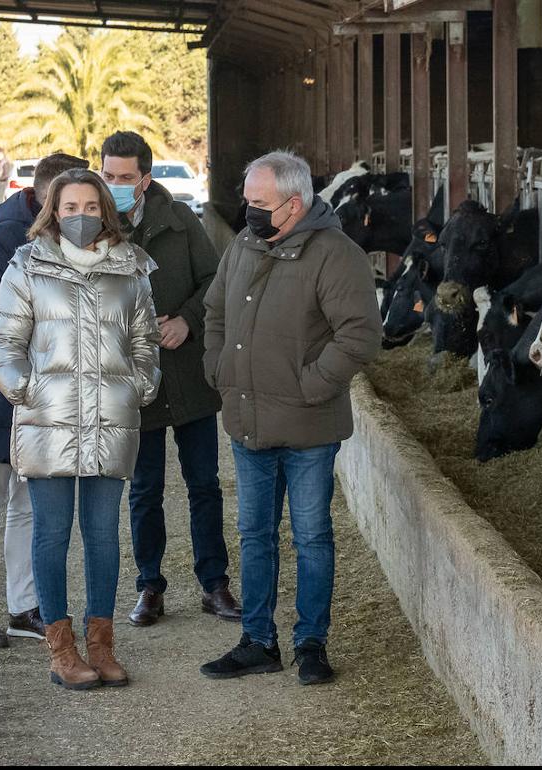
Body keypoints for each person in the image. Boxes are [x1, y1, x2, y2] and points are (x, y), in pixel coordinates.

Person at [199, 151, 381, 686]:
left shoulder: (335, 254)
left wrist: (311, 386)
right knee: (255, 533)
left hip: (308, 429)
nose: (249, 211)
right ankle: (258, 640)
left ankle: (310, 643)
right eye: (248, 201)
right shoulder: (243, 246)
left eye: (260, 203)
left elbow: (360, 335)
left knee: (312, 535)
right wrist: (219, 368)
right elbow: (214, 311)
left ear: (294, 204)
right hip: (248, 419)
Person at [0, 168, 160, 690]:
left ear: (105, 210)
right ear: (52, 212)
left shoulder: (132, 269)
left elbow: (146, 342)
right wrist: (29, 391)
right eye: (69, 208)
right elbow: (2, 344)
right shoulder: (27, 265)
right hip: (49, 421)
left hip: (111, 420)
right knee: (52, 533)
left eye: (89, 207)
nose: (79, 217)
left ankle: (102, 645)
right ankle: (62, 652)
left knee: (104, 534)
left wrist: (139, 387)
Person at [0, 152, 89, 649]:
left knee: (27, 503)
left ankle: (23, 606)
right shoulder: (5, 237)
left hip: (41, 394)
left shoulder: (66, 237)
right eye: (68, 203)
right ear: (46, 198)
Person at [99, 131, 239, 627]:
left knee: (203, 482)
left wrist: (186, 320)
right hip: (135, 383)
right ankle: (150, 586)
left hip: (189, 376)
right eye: (108, 176)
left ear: (146, 178)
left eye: (125, 177)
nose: (115, 185)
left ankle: (214, 583)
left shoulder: (179, 221)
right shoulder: (91, 230)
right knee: (145, 488)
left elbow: (215, 281)